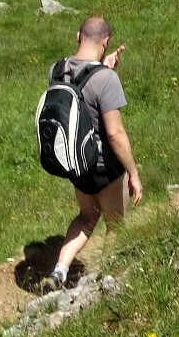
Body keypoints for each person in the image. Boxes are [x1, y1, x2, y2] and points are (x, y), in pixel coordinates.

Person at [42, 17, 143, 291]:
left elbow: (80, 86)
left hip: (75, 162)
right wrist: (133, 174)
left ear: (78, 36)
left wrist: (102, 67)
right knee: (115, 225)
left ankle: (60, 270)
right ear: (106, 41)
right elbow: (115, 133)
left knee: (86, 216)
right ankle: (102, 282)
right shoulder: (106, 79)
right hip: (104, 167)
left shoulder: (57, 69)